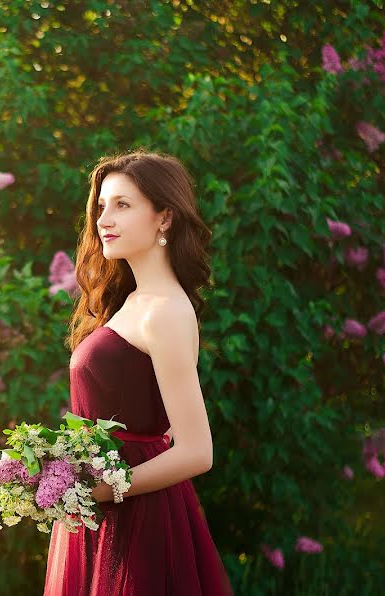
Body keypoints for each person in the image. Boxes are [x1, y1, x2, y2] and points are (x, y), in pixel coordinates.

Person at [43, 150, 234, 595]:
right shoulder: (133, 301)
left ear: (164, 218)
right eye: (102, 206)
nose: (103, 219)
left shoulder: (165, 311)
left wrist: (102, 491)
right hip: (104, 506)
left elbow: (196, 451)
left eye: (122, 205)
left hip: (137, 517)